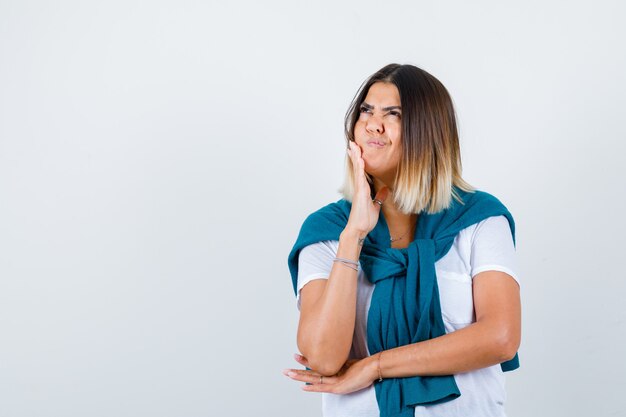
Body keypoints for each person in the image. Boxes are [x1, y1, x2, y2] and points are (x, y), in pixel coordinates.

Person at [284, 63, 521, 417]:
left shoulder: (479, 220)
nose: (372, 124)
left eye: (393, 114)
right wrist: (354, 236)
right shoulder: (328, 230)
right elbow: (323, 357)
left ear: (428, 131)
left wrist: (376, 365)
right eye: (366, 110)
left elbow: (500, 337)